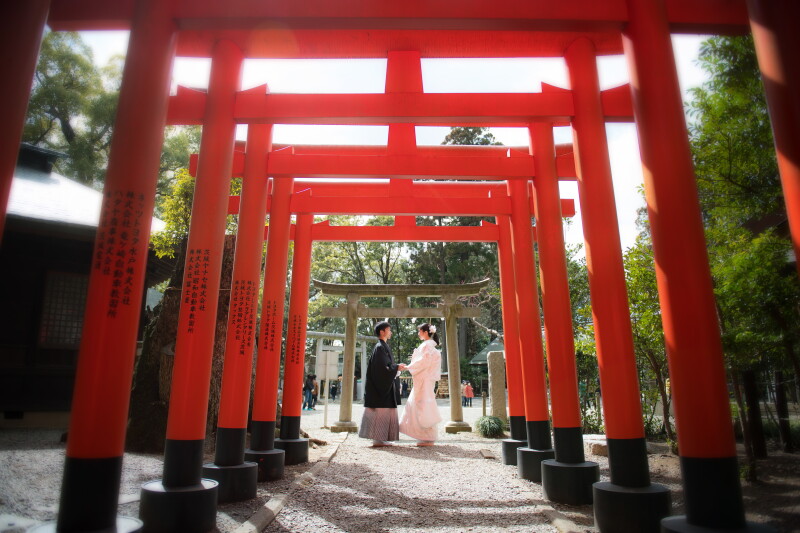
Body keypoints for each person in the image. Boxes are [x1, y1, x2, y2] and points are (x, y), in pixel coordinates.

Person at [359, 321, 406, 447]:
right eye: (389, 330)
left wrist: (395, 368)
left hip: (383, 387)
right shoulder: (380, 347)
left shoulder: (382, 347)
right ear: (382, 332)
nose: (390, 332)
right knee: (380, 412)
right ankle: (378, 439)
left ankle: (381, 438)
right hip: (380, 388)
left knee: (383, 412)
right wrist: (396, 367)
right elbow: (382, 368)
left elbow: (387, 367)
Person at [399, 323, 443, 446]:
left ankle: (426, 436)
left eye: (419, 331)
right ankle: (427, 436)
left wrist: (409, 366)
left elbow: (424, 361)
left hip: (424, 379)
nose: (418, 333)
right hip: (427, 380)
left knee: (421, 405)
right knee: (425, 404)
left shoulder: (426, 346)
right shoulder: (431, 347)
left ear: (425, 332)